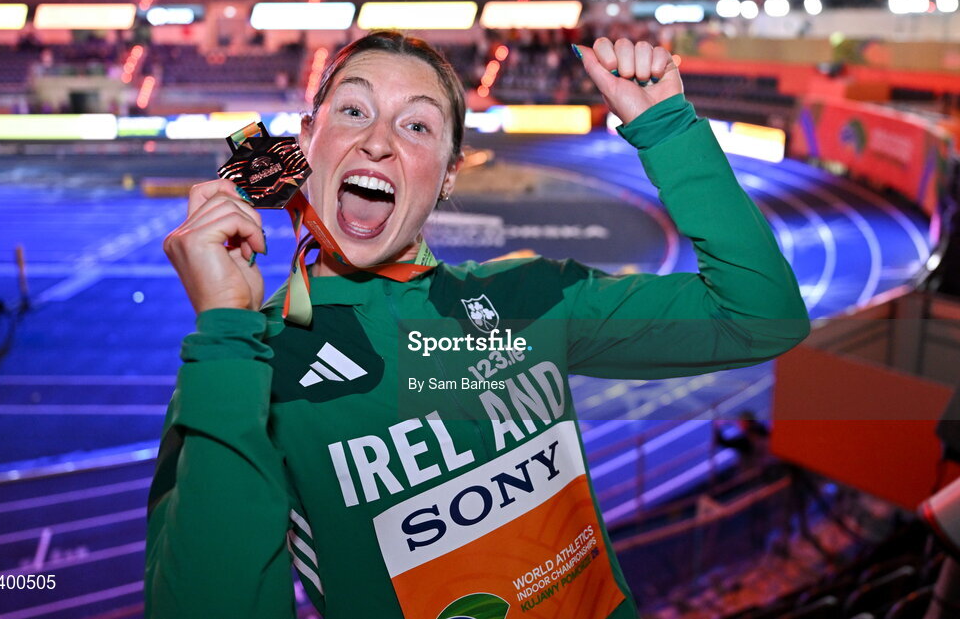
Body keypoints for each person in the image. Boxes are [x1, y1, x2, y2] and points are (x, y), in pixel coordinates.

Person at [145, 30, 810, 619]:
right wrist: (228, 327)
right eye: (353, 111)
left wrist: (667, 128)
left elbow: (760, 315)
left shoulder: (529, 297)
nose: (377, 140)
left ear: (447, 177)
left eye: (417, 126)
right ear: (306, 142)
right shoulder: (248, 362)